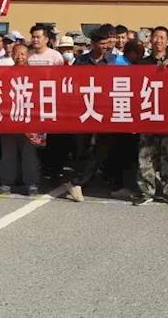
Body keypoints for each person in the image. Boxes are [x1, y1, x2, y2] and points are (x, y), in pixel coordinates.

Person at [65, 24, 117, 203]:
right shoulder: (81, 61)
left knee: (103, 147)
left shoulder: (112, 61)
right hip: (84, 110)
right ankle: (77, 183)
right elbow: (71, 83)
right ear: (93, 44)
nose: (104, 47)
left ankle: (80, 181)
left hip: (104, 110)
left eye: (106, 43)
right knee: (81, 148)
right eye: (101, 43)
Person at [134, 26, 168, 205]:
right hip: (147, 114)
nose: (158, 40)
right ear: (150, 40)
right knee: (146, 155)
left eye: (162, 37)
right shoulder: (141, 63)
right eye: (155, 37)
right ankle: (146, 191)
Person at [0, 44, 41, 196]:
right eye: (17, 54)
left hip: (30, 120)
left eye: (23, 54)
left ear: (28, 55)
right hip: (10, 120)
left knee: (29, 154)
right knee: (8, 154)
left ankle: (31, 184)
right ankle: (6, 183)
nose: (20, 57)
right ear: (12, 55)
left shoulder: (36, 74)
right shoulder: (5, 74)